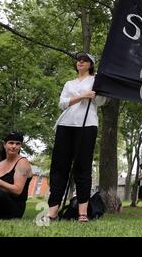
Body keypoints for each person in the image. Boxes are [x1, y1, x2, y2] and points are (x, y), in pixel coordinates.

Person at [45, 52, 107, 223]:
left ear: (91, 64)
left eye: (85, 60)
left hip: (86, 126)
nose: (80, 62)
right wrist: (82, 96)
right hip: (65, 125)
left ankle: (82, 212)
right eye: (79, 60)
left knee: (82, 167)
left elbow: (101, 101)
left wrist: (100, 86)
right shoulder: (69, 83)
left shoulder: (95, 80)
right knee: (59, 167)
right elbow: (62, 103)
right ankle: (53, 211)